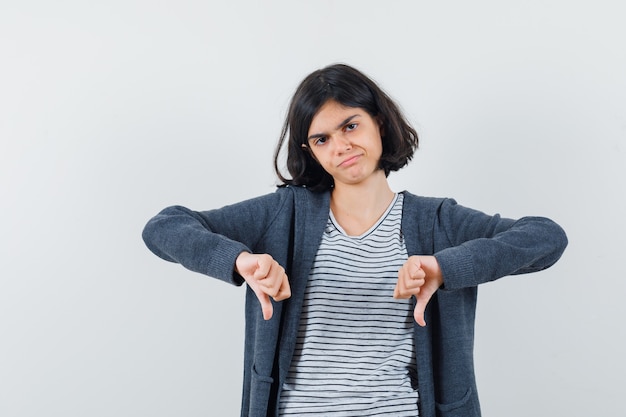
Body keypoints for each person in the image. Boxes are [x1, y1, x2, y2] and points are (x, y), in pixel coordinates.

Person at [142, 63, 567, 417]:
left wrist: (443, 268)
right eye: (321, 139)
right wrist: (240, 262)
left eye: (350, 125)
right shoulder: (282, 214)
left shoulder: (436, 220)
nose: (341, 146)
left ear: (378, 121)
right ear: (310, 150)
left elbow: (545, 238)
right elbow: (164, 227)